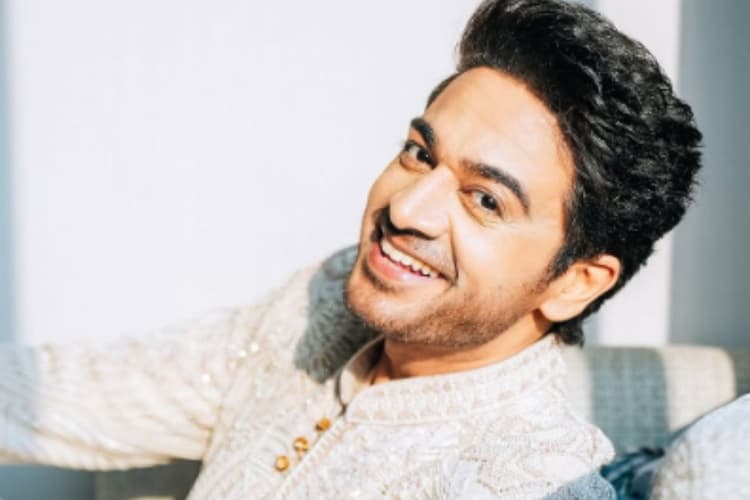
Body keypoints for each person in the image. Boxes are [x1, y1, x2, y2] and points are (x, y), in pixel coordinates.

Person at [0, 0, 702, 498]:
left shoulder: (532, 481)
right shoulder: (328, 300)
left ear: (577, 282)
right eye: (419, 153)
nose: (405, 207)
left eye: (485, 199)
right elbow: (74, 396)